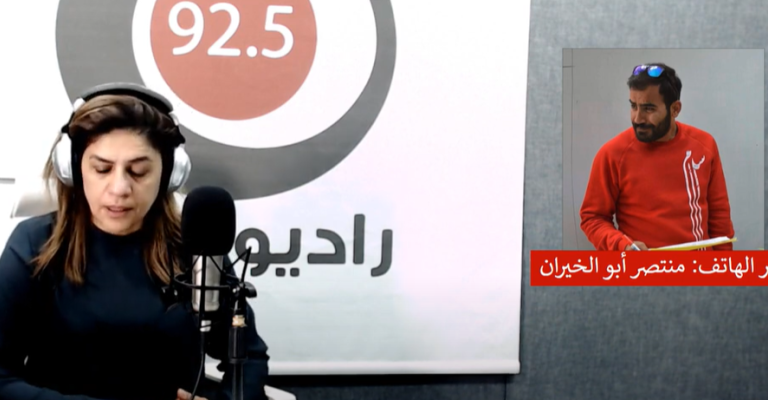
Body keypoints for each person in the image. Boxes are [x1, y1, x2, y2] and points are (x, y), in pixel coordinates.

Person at [0, 83, 270, 400]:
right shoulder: (34, 245)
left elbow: (248, 359)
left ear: (169, 174)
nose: (119, 188)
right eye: (102, 169)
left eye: (139, 172)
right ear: (73, 168)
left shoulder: (196, 248)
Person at [579, 63, 735, 251]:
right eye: (633, 106)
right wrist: (622, 246)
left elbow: (719, 218)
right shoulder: (612, 154)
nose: (638, 118)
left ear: (675, 109)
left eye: (649, 109)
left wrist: (724, 265)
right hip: (642, 268)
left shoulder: (704, 145)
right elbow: (593, 218)